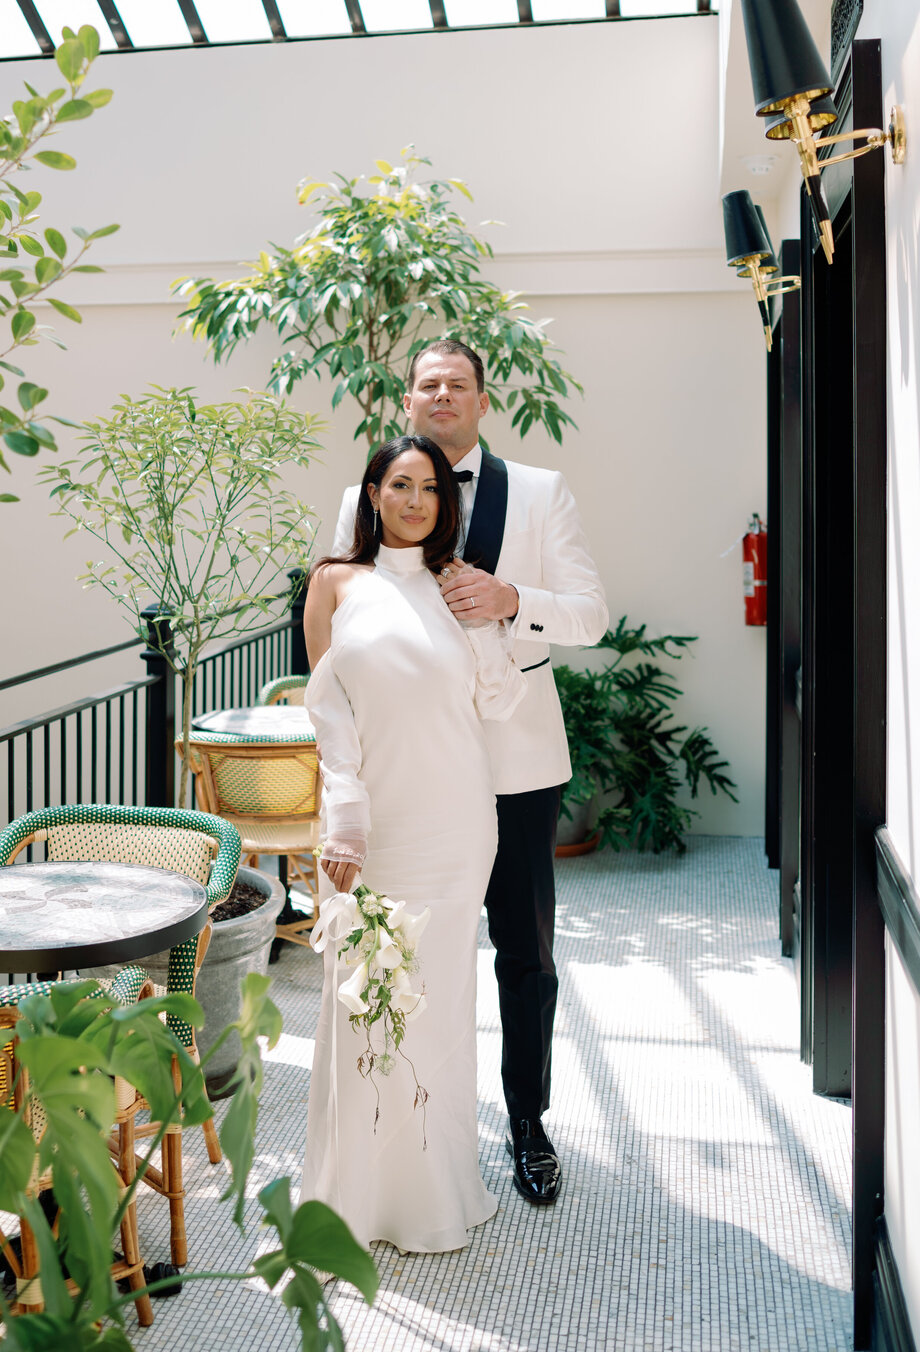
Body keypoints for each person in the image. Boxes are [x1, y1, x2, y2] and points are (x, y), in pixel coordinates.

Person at [331, 339, 608, 1205]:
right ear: (407, 400)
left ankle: (528, 1126)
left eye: (458, 384)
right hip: (410, 774)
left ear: (483, 401)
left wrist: (512, 601)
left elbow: (593, 615)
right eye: (427, 384)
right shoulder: (361, 499)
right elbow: (334, 638)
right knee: (402, 951)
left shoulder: (539, 491)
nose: (441, 394)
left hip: (516, 761)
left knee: (524, 954)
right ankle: (405, 1132)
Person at [299, 436, 527, 1254]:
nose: (416, 499)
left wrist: (493, 615)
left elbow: (496, 702)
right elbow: (330, 718)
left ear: (446, 503)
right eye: (400, 483)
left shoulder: (452, 586)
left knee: (440, 1006)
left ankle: (435, 1188)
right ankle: (357, 1196)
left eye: (431, 487)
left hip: (457, 824)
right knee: (363, 996)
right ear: (371, 493)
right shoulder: (334, 583)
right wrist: (346, 818)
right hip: (378, 829)